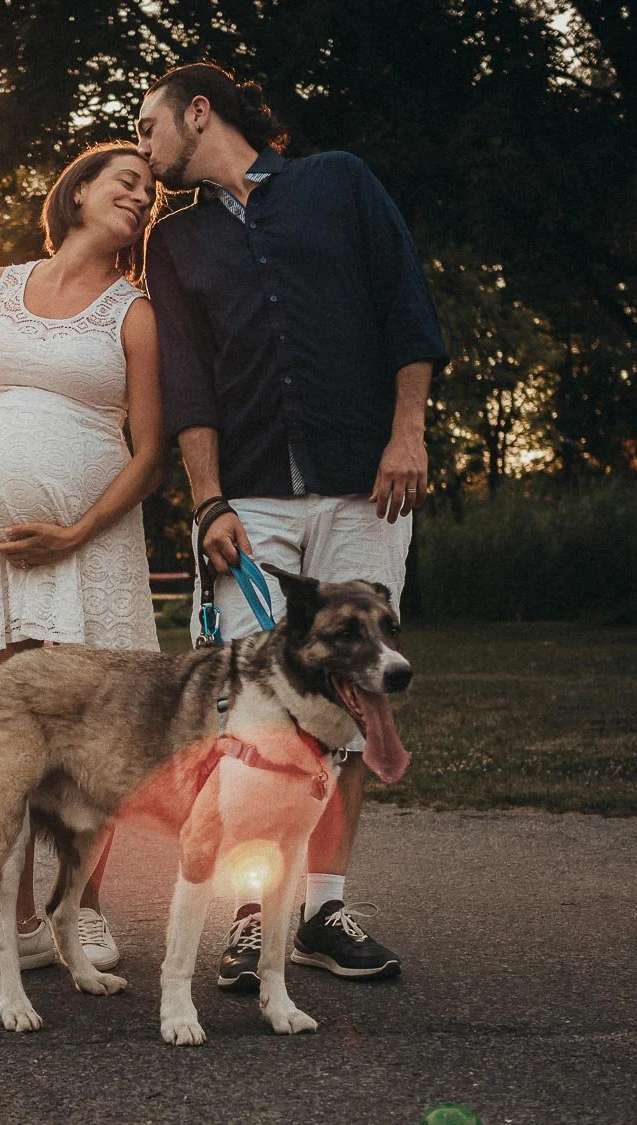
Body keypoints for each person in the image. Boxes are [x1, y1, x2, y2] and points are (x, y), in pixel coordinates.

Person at [136, 63, 448, 988]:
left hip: (365, 483)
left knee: (350, 698)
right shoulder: (173, 240)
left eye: (149, 125)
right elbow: (187, 379)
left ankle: (319, 911)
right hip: (252, 499)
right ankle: (247, 915)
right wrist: (207, 498)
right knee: (251, 711)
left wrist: (407, 432)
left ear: (200, 112)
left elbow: (406, 305)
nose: (143, 145)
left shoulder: (338, 181)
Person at [0, 142, 165, 986]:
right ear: (77, 192)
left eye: (150, 192)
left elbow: (151, 452)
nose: (141, 197)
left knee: (89, 739)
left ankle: (84, 912)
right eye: (126, 182)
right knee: (2, 743)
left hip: (89, 552)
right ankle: (13, 925)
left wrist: (76, 530)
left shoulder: (133, 312)